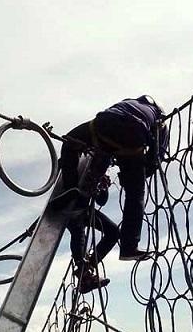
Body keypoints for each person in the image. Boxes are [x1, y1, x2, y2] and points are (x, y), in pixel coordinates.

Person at [54, 95, 168, 261]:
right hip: (133, 134)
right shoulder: (160, 121)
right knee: (135, 194)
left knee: (70, 141)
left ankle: (71, 187)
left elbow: (105, 151)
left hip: (102, 125)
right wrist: (134, 175)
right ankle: (129, 246)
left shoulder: (127, 103)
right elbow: (155, 158)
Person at [67, 174, 119, 294]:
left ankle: (88, 267)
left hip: (84, 209)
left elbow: (101, 201)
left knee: (113, 232)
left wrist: (103, 187)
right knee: (78, 233)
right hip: (70, 207)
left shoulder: (99, 169)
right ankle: (84, 271)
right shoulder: (78, 162)